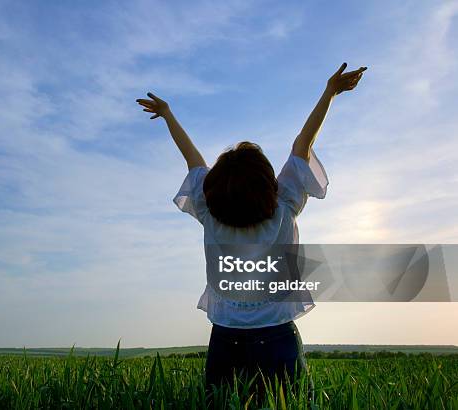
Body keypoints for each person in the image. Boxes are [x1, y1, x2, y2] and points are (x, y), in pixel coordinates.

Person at [136, 62, 367, 405]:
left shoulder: (209, 211)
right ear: (266, 184)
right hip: (278, 338)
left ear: (215, 188)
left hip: (225, 341)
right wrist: (330, 92)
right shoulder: (284, 205)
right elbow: (302, 145)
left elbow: (192, 160)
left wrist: (169, 115)